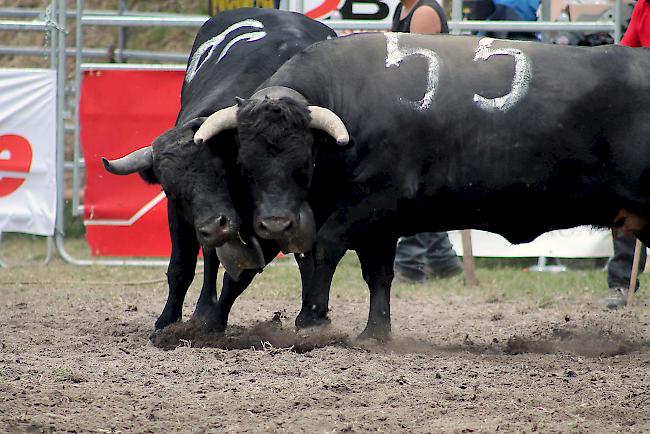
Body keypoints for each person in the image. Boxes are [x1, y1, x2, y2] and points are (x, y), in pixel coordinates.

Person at [391, 0, 464, 283]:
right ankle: (444, 262)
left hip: (428, 104)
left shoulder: (424, 11)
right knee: (421, 185)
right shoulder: (402, 9)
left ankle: (410, 264)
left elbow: (417, 62)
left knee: (415, 185)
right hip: (414, 102)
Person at [605, 0, 650, 308]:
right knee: (623, 192)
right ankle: (621, 282)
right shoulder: (643, 7)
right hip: (643, 116)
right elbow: (625, 55)